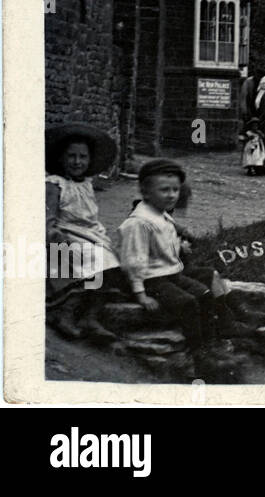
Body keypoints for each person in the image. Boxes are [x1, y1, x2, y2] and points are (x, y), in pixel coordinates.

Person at [118, 159, 226, 371]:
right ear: (145, 192)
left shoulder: (162, 215)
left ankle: (212, 343)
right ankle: (199, 353)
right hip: (151, 280)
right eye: (164, 190)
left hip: (171, 274)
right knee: (187, 303)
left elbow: (166, 244)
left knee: (204, 294)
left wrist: (180, 247)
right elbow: (134, 261)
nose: (171, 195)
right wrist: (141, 294)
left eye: (175, 190)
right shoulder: (139, 223)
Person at [45, 124, 126, 343]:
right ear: (61, 158)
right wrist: (54, 235)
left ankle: (90, 317)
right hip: (66, 232)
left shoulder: (87, 185)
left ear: (90, 160)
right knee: (94, 261)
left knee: (113, 264)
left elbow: (90, 218)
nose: (77, 162)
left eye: (82, 157)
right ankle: (65, 313)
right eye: (71, 156)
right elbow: (48, 217)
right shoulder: (55, 184)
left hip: (91, 234)